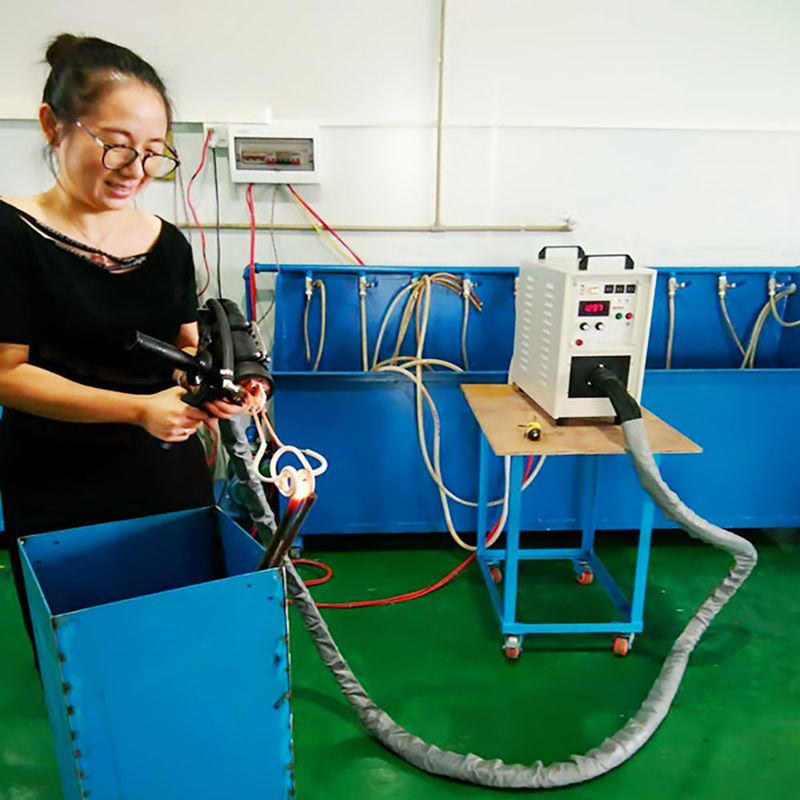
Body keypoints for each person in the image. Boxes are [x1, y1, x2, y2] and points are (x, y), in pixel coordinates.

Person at [0, 34, 239, 648]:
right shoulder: (10, 232)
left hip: (167, 478)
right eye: (116, 145)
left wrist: (218, 384)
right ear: (53, 125)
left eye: (154, 153)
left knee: (178, 642)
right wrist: (137, 410)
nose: (135, 170)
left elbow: (187, 348)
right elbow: (6, 373)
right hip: (59, 486)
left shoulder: (168, 244)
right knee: (85, 655)